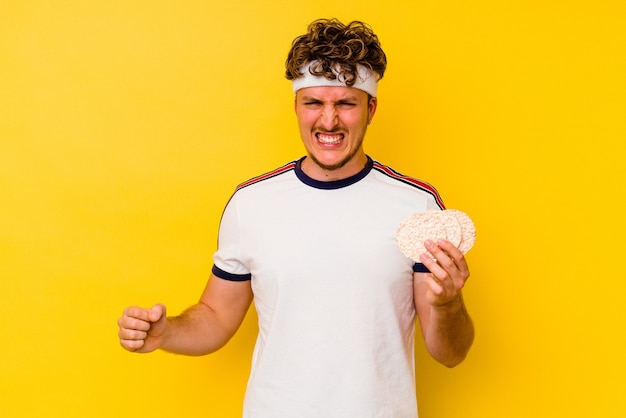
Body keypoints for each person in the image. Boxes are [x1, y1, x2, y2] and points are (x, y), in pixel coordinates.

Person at [117, 18, 474, 417]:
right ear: (296, 106)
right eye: (314, 103)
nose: (328, 121)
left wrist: (447, 305)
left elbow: (451, 354)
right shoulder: (251, 203)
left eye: (345, 103)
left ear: (370, 108)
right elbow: (216, 317)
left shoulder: (418, 207)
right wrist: (167, 333)